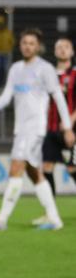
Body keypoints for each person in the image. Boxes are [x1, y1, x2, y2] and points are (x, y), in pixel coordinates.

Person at [0, 29, 74, 231]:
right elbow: (7, 95)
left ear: (38, 46)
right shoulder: (15, 69)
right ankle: (55, 219)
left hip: (35, 128)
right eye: (24, 43)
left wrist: (67, 127)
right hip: (21, 128)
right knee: (35, 174)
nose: (27, 46)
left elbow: (58, 97)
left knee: (16, 167)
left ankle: (1, 219)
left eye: (32, 43)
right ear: (19, 45)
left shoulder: (45, 69)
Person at [37, 37, 76, 216]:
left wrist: (70, 121)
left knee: (72, 168)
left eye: (66, 47)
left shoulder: (75, 73)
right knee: (46, 168)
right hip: (50, 130)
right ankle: (50, 213)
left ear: (72, 52)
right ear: (54, 51)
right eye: (59, 47)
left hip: (71, 130)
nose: (62, 50)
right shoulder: (48, 75)